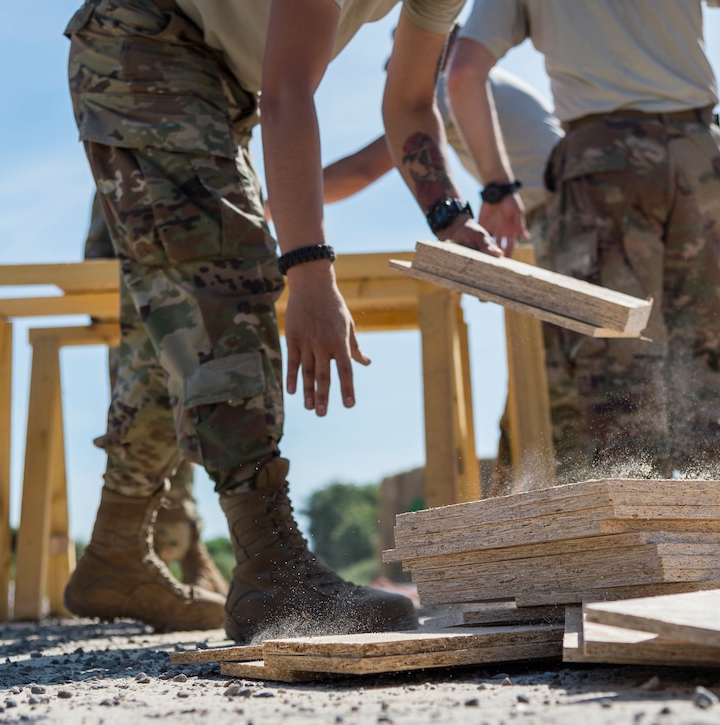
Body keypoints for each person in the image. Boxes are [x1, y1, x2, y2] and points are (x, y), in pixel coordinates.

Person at [63, 0, 497, 643]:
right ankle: (271, 567)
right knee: (222, 279)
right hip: (146, 43)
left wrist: (450, 219)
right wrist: (310, 272)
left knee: (175, 325)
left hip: (219, 86)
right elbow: (288, 92)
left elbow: (408, 104)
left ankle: (115, 551)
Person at [446, 0, 720, 483]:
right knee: (697, 360)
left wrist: (496, 185)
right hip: (700, 156)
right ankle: (716, 526)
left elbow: (465, 72)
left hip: (604, 167)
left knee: (619, 356)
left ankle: (644, 531)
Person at [321, 25, 564, 495]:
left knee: (548, 387)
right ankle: (524, 508)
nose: (398, 67)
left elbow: (367, 165)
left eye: (402, 53)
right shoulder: (477, 86)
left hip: (558, 225)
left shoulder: (447, 80)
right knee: (543, 385)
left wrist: (272, 205)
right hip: (557, 221)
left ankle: (526, 513)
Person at [83, 193, 228, 597]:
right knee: (151, 417)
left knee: (184, 419)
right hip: (138, 304)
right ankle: (150, 556)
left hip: (179, 290)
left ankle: (176, 548)